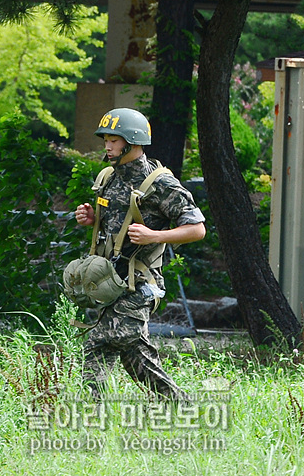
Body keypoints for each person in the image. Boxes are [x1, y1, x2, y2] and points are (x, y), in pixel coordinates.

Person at [73, 108, 205, 401]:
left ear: (132, 142)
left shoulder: (161, 184)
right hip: (110, 280)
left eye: (114, 140)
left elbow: (197, 229)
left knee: (102, 342)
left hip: (140, 283)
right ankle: (175, 404)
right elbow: (116, 223)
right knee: (132, 353)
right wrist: (93, 218)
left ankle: (91, 410)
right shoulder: (108, 177)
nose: (107, 146)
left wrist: (156, 236)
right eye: (106, 139)